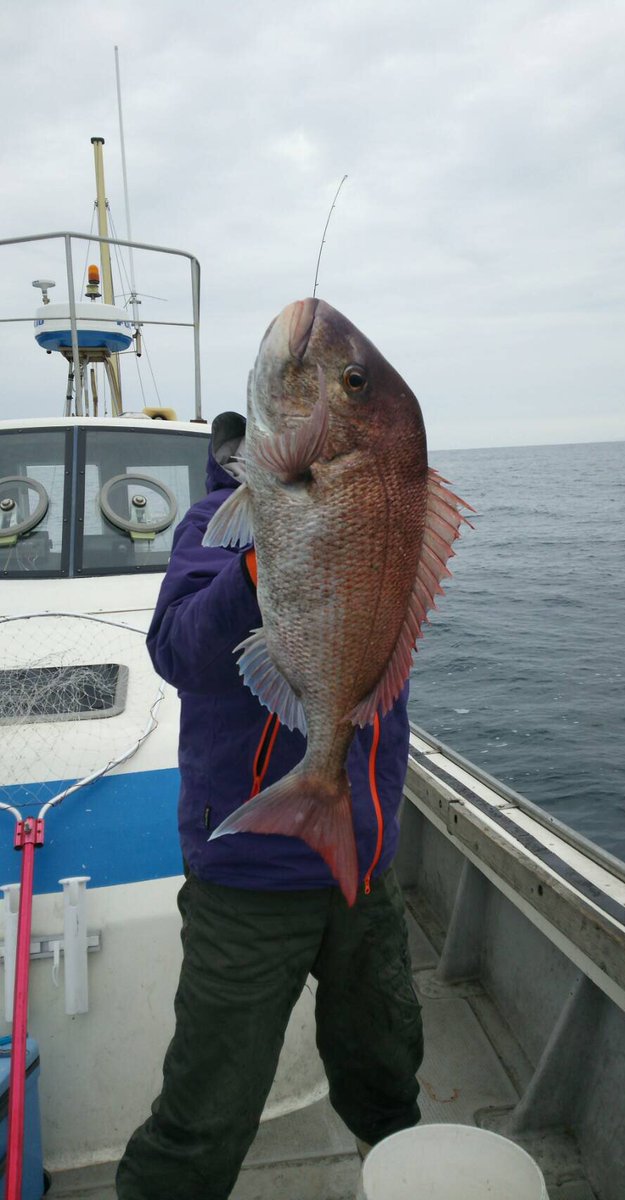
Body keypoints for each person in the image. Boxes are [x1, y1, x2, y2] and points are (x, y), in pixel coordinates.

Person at [115, 413, 424, 1200]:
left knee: (386, 1076)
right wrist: (259, 567)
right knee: (206, 1110)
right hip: (248, 878)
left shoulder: (393, 524)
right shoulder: (209, 525)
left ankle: (391, 1176)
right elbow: (176, 651)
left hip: (363, 868)